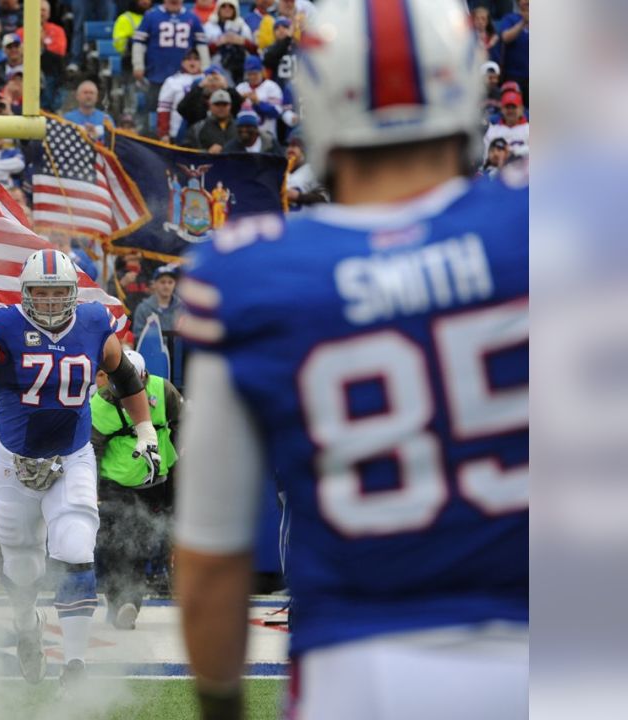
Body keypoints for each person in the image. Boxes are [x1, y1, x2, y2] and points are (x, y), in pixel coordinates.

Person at [173, 0, 528, 718]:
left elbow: (212, 557)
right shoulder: (551, 222)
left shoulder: (251, 275)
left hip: (362, 670)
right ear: (466, 85)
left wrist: (220, 705)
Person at [0, 249, 162, 688]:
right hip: (15, 460)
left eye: (58, 292)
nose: (49, 301)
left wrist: (146, 431)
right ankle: (26, 625)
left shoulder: (96, 322)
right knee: (22, 561)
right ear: (25, 293)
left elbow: (124, 378)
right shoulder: (3, 326)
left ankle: (75, 664)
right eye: (39, 292)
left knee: (76, 544)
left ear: (74, 293)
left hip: (73, 454)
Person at [90, 350, 181, 630]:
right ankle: (118, 601)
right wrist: (91, 490)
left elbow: (181, 428)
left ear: (143, 376)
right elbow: (92, 449)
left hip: (156, 483)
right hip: (114, 485)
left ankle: (128, 603)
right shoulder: (101, 403)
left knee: (140, 544)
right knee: (114, 546)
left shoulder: (163, 390)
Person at [132, 0, 207, 136]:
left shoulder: (192, 18)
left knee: (184, 113)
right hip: (156, 74)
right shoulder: (151, 16)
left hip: (185, 79)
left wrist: (206, 69)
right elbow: (138, 42)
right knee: (154, 113)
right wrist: (138, 65)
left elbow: (202, 44)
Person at [155, 49, 206, 143]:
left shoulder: (207, 79)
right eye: (189, 59)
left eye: (196, 59)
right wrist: (164, 133)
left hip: (203, 132)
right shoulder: (172, 81)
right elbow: (164, 110)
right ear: (182, 62)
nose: (192, 62)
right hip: (177, 131)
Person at [132, 265, 183, 339]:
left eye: (170, 282)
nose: (166, 286)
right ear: (155, 284)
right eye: (162, 282)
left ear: (175, 284)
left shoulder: (183, 308)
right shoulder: (143, 308)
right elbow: (138, 336)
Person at [483, 89, 529, 160]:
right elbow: (486, 158)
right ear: (502, 109)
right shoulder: (492, 131)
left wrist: (514, 152)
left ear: (521, 109)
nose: (510, 111)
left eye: (513, 107)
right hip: (498, 169)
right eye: (507, 107)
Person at [64, 81, 113, 145]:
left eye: (91, 93)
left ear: (97, 97)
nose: (88, 96)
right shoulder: (67, 119)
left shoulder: (106, 119)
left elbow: (112, 144)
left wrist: (96, 137)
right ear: (77, 96)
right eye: (85, 93)